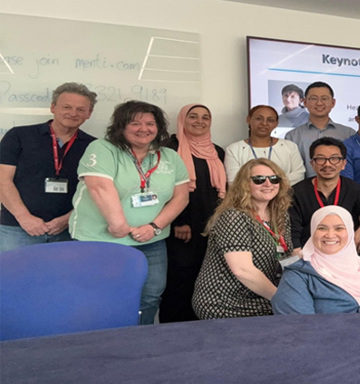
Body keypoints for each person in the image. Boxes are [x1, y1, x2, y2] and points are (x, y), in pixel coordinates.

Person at [69, 100, 190, 325]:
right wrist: (119, 226)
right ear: (121, 126)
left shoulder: (170, 156)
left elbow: (181, 197)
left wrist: (153, 228)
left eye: (150, 123)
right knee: (103, 298)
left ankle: (139, 342)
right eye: (135, 123)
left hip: (151, 242)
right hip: (101, 240)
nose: (143, 129)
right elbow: (99, 187)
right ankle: (103, 345)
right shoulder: (102, 148)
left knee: (150, 296)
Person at [0, 82, 97, 252]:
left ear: (89, 113)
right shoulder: (19, 136)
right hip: (17, 228)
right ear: (53, 107)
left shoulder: (95, 146)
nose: (73, 113)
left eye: (81, 109)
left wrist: (68, 218)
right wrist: (24, 217)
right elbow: (3, 179)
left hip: (69, 230)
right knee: (16, 277)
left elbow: (95, 190)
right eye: (67, 107)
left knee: (63, 278)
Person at [192, 158, 292, 319]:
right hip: (226, 301)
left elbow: (286, 255)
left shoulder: (280, 214)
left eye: (274, 179)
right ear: (245, 184)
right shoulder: (234, 216)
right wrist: (283, 299)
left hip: (261, 295)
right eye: (259, 180)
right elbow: (243, 271)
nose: (268, 184)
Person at [160, 103, 226, 323]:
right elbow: (163, 188)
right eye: (193, 117)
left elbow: (221, 191)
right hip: (181, 227)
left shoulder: (217, 151)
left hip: (210, 226)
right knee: (180, 279)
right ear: (182, 120)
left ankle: (200, 326)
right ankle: (174, 329)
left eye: (205, 117)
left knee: (205, 277)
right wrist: (178, 221)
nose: (200, 121)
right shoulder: (169, 148)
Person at [272, 206, 360, 314]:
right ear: (312, 232)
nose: (330, 235)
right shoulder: (297, 275)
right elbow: (299, 328)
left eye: (339, 228)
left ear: (350, 232)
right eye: (322, 228)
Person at [290, 137, 360, 255]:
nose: (327, 164)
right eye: (320, 159)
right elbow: (293, 230)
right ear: (312, 164)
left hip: (345, 253)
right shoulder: (296, 192)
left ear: (343, 164)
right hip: (309, 254)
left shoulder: (355, 189)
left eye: (334, 159)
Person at [286, 82, 355, 178]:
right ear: (305, 102)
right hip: (304, 190)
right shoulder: (292, 136)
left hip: (341, 190)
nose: (319, 103)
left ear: (333, 103)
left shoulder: (348, 134)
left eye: (324, 99)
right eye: (314, 98)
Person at [225, 105, 305, 185]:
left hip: (284, 196)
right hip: (247, 197)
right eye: (259, 118)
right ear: (248, 119)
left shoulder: (290, 147)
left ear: (276, 123)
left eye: (270, 120)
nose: (264, 123)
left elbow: (299, 175)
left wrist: (271, 187)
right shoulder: (234, 149)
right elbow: (234, 181)